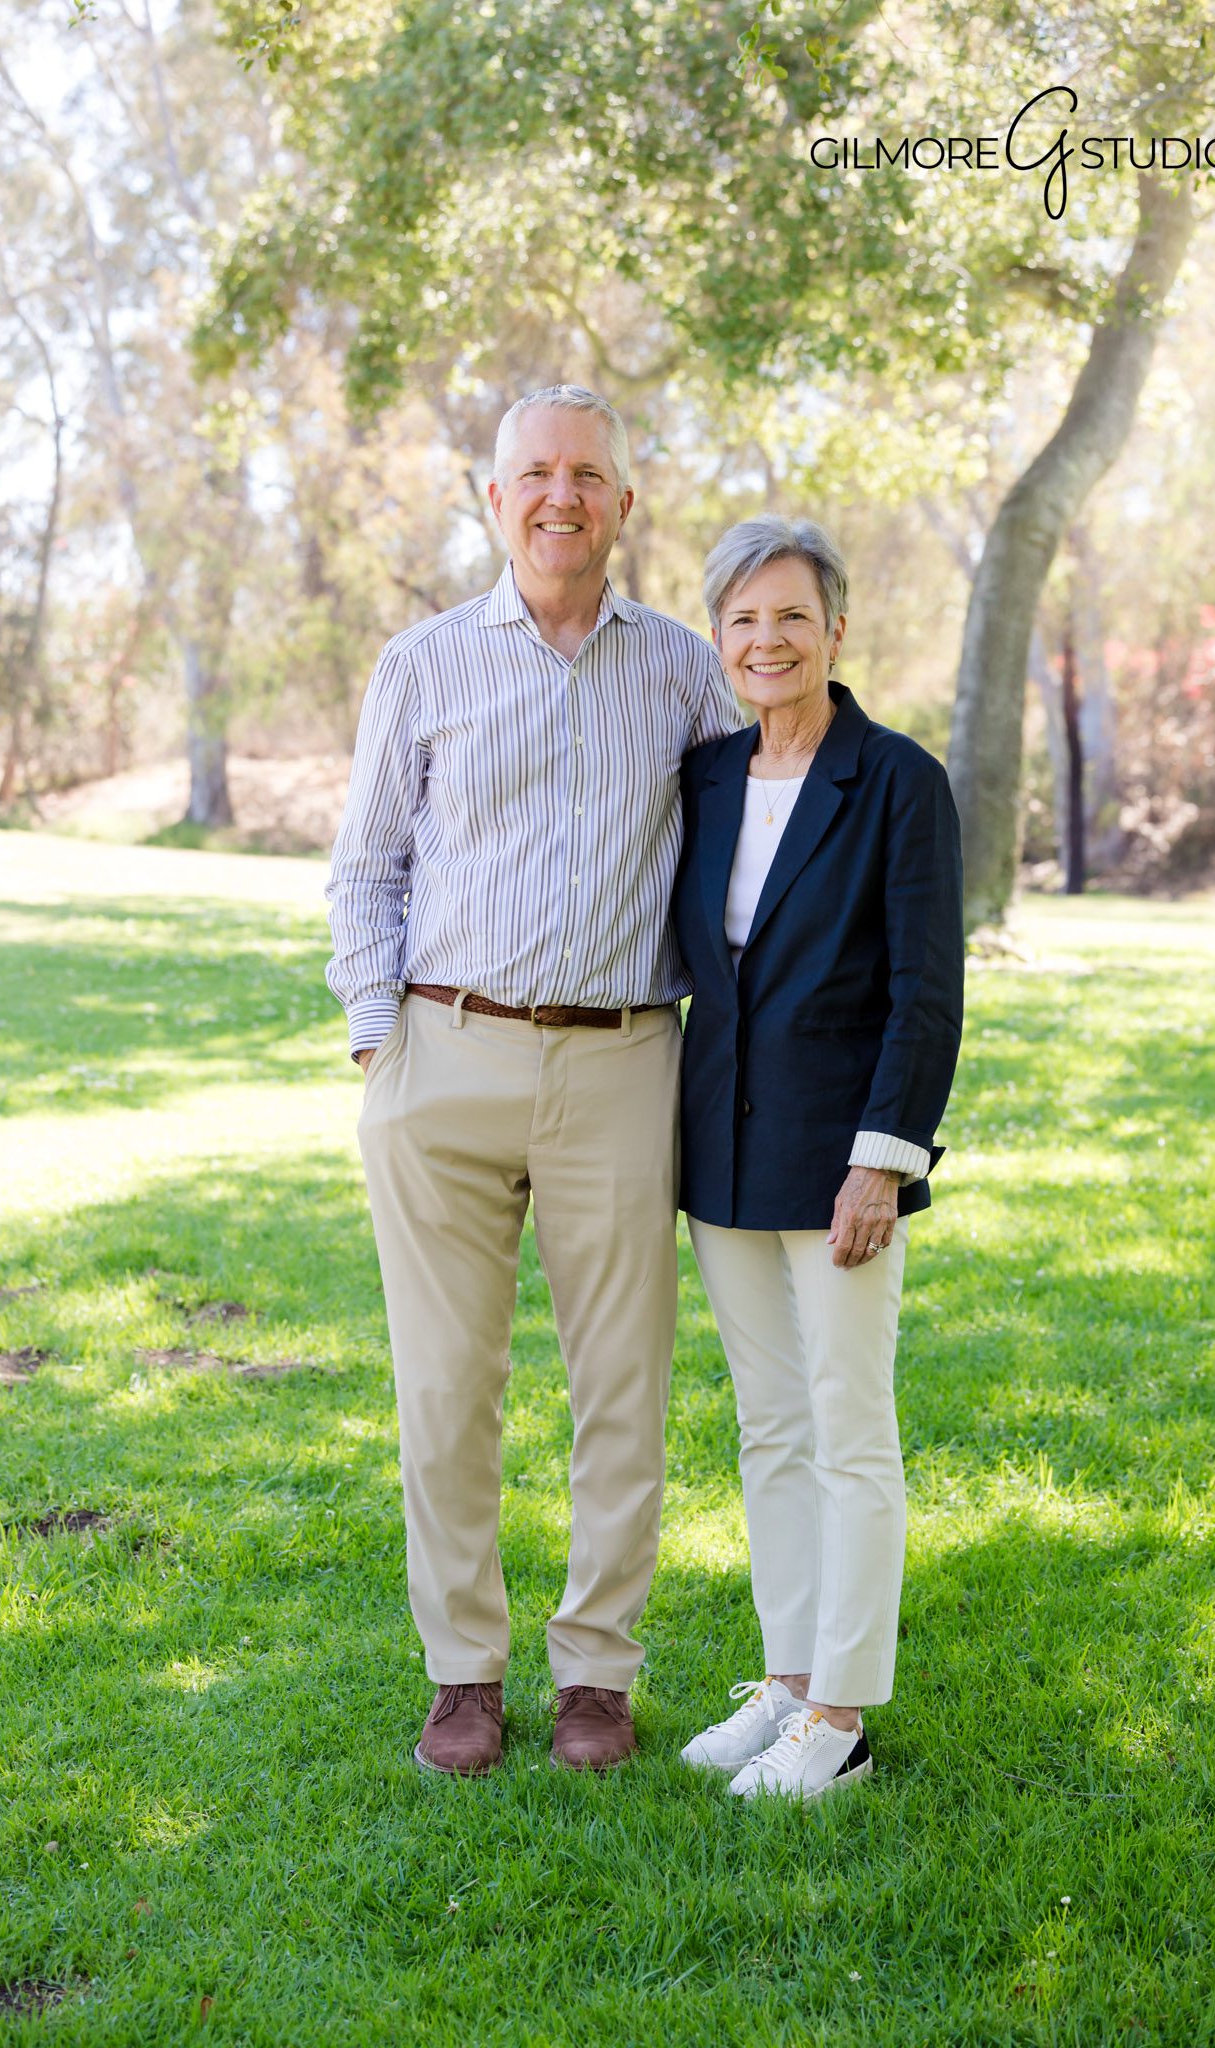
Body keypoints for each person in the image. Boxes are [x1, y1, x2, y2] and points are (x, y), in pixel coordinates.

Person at [326, 385, 742, 1776]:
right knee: (446, 1391)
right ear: (492, 499)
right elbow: (366, 864)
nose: (560, 496)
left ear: (623, 501)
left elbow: (753, 849)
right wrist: (382, 1040)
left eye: (587, 473)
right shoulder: (423, 664)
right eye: (533, 475)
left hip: (624, 1061)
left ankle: (596, 1679)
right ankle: (463, 1672)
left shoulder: (687, 672)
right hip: (442, 1062)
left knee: (620, 1385)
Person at [671, 515, 964, 1800]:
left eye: (790, 615)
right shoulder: (708, 777)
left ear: (836, 629)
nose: (765, 639)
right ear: (719, 639)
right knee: (770, 1429)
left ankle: (840, 1715)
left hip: (842, 1158)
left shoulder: (899, 780)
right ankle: (787, 1679)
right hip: (723, 1151)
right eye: (741, 619)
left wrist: (881, 1162)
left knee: (851, 1432)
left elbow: (925, 991)